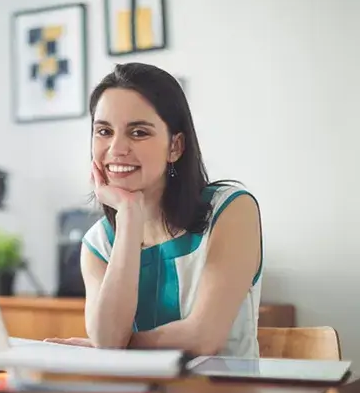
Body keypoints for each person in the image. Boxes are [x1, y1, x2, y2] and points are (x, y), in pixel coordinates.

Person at [45, 63, 263, 358]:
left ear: (175, 146)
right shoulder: (97, 245)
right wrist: (129, 216)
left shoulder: (231, 209)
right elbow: (108, 339)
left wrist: (118, 346)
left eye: (138, 132)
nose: (116, 148)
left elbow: (203, 338)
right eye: (104, 131)